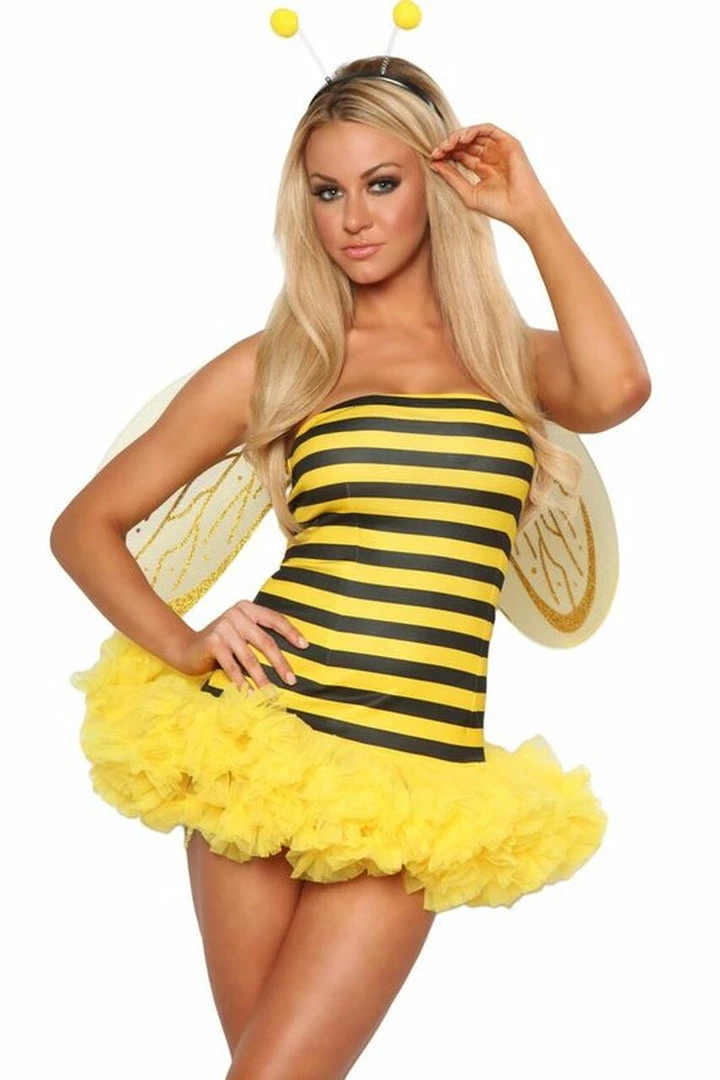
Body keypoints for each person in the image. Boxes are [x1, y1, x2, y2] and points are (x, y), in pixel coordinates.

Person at [50, 51, 651, 1080]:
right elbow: (84, 526)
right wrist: (188, 642)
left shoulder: (509, 359)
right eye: (327, 192)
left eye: (381, 183)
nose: (354, 219)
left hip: (416, 769)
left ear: (435, 185)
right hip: (266, 734)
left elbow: (619, 387)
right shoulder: (284, 360)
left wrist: (532, 211)